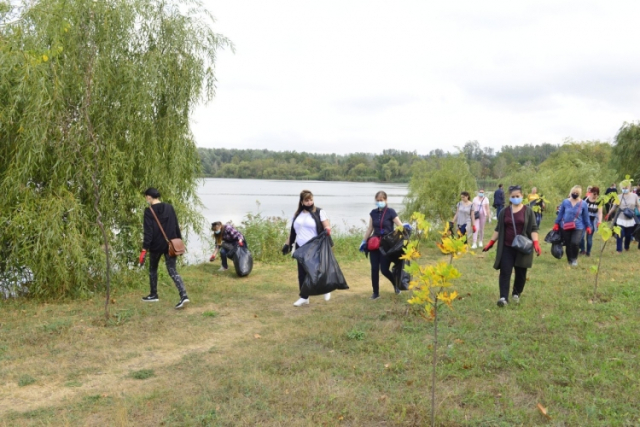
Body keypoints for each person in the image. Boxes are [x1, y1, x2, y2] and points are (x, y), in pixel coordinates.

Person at [482, 185, 541, 307]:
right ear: (509, 197)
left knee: (521, 273)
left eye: (517, 196)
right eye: (513, 196)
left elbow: (534, 228)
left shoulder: (528, 211)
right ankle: (503, 297)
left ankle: (516, 293)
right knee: (505, 272)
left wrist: (536, 243)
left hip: (522, 247)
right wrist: (491, 242)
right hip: (507, 247)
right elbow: (498, 229)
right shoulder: (504, 212)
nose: (515, 198)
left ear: (522, 196)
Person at [139, 188, 190, 309]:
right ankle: (184, 295)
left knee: (153, 269)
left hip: (156, 245)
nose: (146, 199)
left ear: (149, 197)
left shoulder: (148, 211)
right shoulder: (169, 207)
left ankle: (153, 294)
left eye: (146, 196)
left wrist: (144, 249)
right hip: (170, 244)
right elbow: (175, 225)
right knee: (172, 270)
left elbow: (148, 232)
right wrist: (179, 241)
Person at [284, 190, 332, 307]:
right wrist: (287, 244)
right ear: (302, 202)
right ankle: (304, 297)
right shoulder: (297, 215)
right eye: (307, 200)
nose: (309, 202)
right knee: (302, 273)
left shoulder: (319, 212)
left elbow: (327, 227)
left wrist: (327, 231)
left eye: (311, 199)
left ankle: (326, 289)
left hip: (314, 246)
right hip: (301, 247)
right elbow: (292, 232)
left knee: (315, 271)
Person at [359, 191, 404, 300]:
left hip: (386, 245)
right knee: (374, 269)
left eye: (381, 200)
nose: (379, 202)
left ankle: (396, 285)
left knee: (384, 269)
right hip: (374, 244)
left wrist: (400, 238)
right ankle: (375, 293)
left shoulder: (391, 212)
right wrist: (364, 241)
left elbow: (400, 226)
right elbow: (370, 228)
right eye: (378, 200)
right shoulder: (373, 213)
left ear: (386, 200)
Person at [553, 185, 590, 266]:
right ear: (571, 192)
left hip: (578, 226)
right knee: (568, 243)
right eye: (574, 192)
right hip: (565, 226)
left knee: (575, 243)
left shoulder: (583, 204)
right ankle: (570, 260)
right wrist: (556, 223)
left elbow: (586, 216)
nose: (575, 194)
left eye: (577, 193)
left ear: (580, 194)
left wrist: (588, 226)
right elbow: (561, 213)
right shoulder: (565, 202)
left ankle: (574, 258)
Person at [606, 179, 640, 253]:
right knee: (620, 233)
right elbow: (614, 206)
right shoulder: (618, 196)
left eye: (626, 188)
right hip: (620, 218)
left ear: (629, 187)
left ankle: (626, 246)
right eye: (623, 188)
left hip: (630, 218)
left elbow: (638, 206)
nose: (624, 189)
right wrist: (609, 213)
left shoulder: (634, 196)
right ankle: (619, 250)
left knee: (628, 235)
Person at [579, 186, 603, 257]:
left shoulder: (599, 202)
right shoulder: (585, 199)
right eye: (593, 194)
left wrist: (599, 221)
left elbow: (600, 212)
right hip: (583, 220)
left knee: (589, 237)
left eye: (596, 194)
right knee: (581, 236)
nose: (594, 196)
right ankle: (582, 250)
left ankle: (588, 252)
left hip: (592, 221)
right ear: (590, 193)